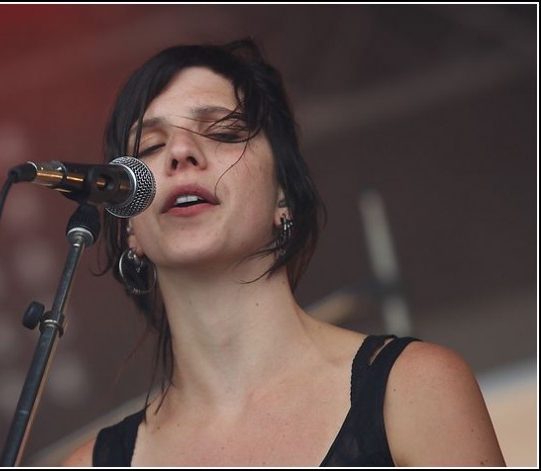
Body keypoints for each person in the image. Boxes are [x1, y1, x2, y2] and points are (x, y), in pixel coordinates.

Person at [63, 38, 505, 467]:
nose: (180, 152)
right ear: (128, 228)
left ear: (283, 195)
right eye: (149, 147)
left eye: (224, 132)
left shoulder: (415, 389)